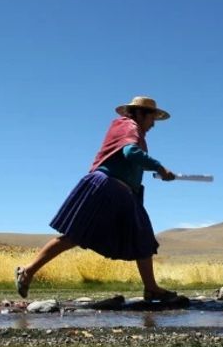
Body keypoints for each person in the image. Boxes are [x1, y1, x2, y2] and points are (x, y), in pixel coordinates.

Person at [15, 96, 178, 301]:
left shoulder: (131, 130)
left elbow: (131, 161)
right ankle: (27, 271)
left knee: (143, 236)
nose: (153, 124)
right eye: (151, 118)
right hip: (107, 187)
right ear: (139, 114)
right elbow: (130, 152)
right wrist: (159, 167)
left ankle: (151, 287)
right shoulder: (128, 126)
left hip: (123, 192)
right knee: (76, 235)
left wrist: (155, 172)